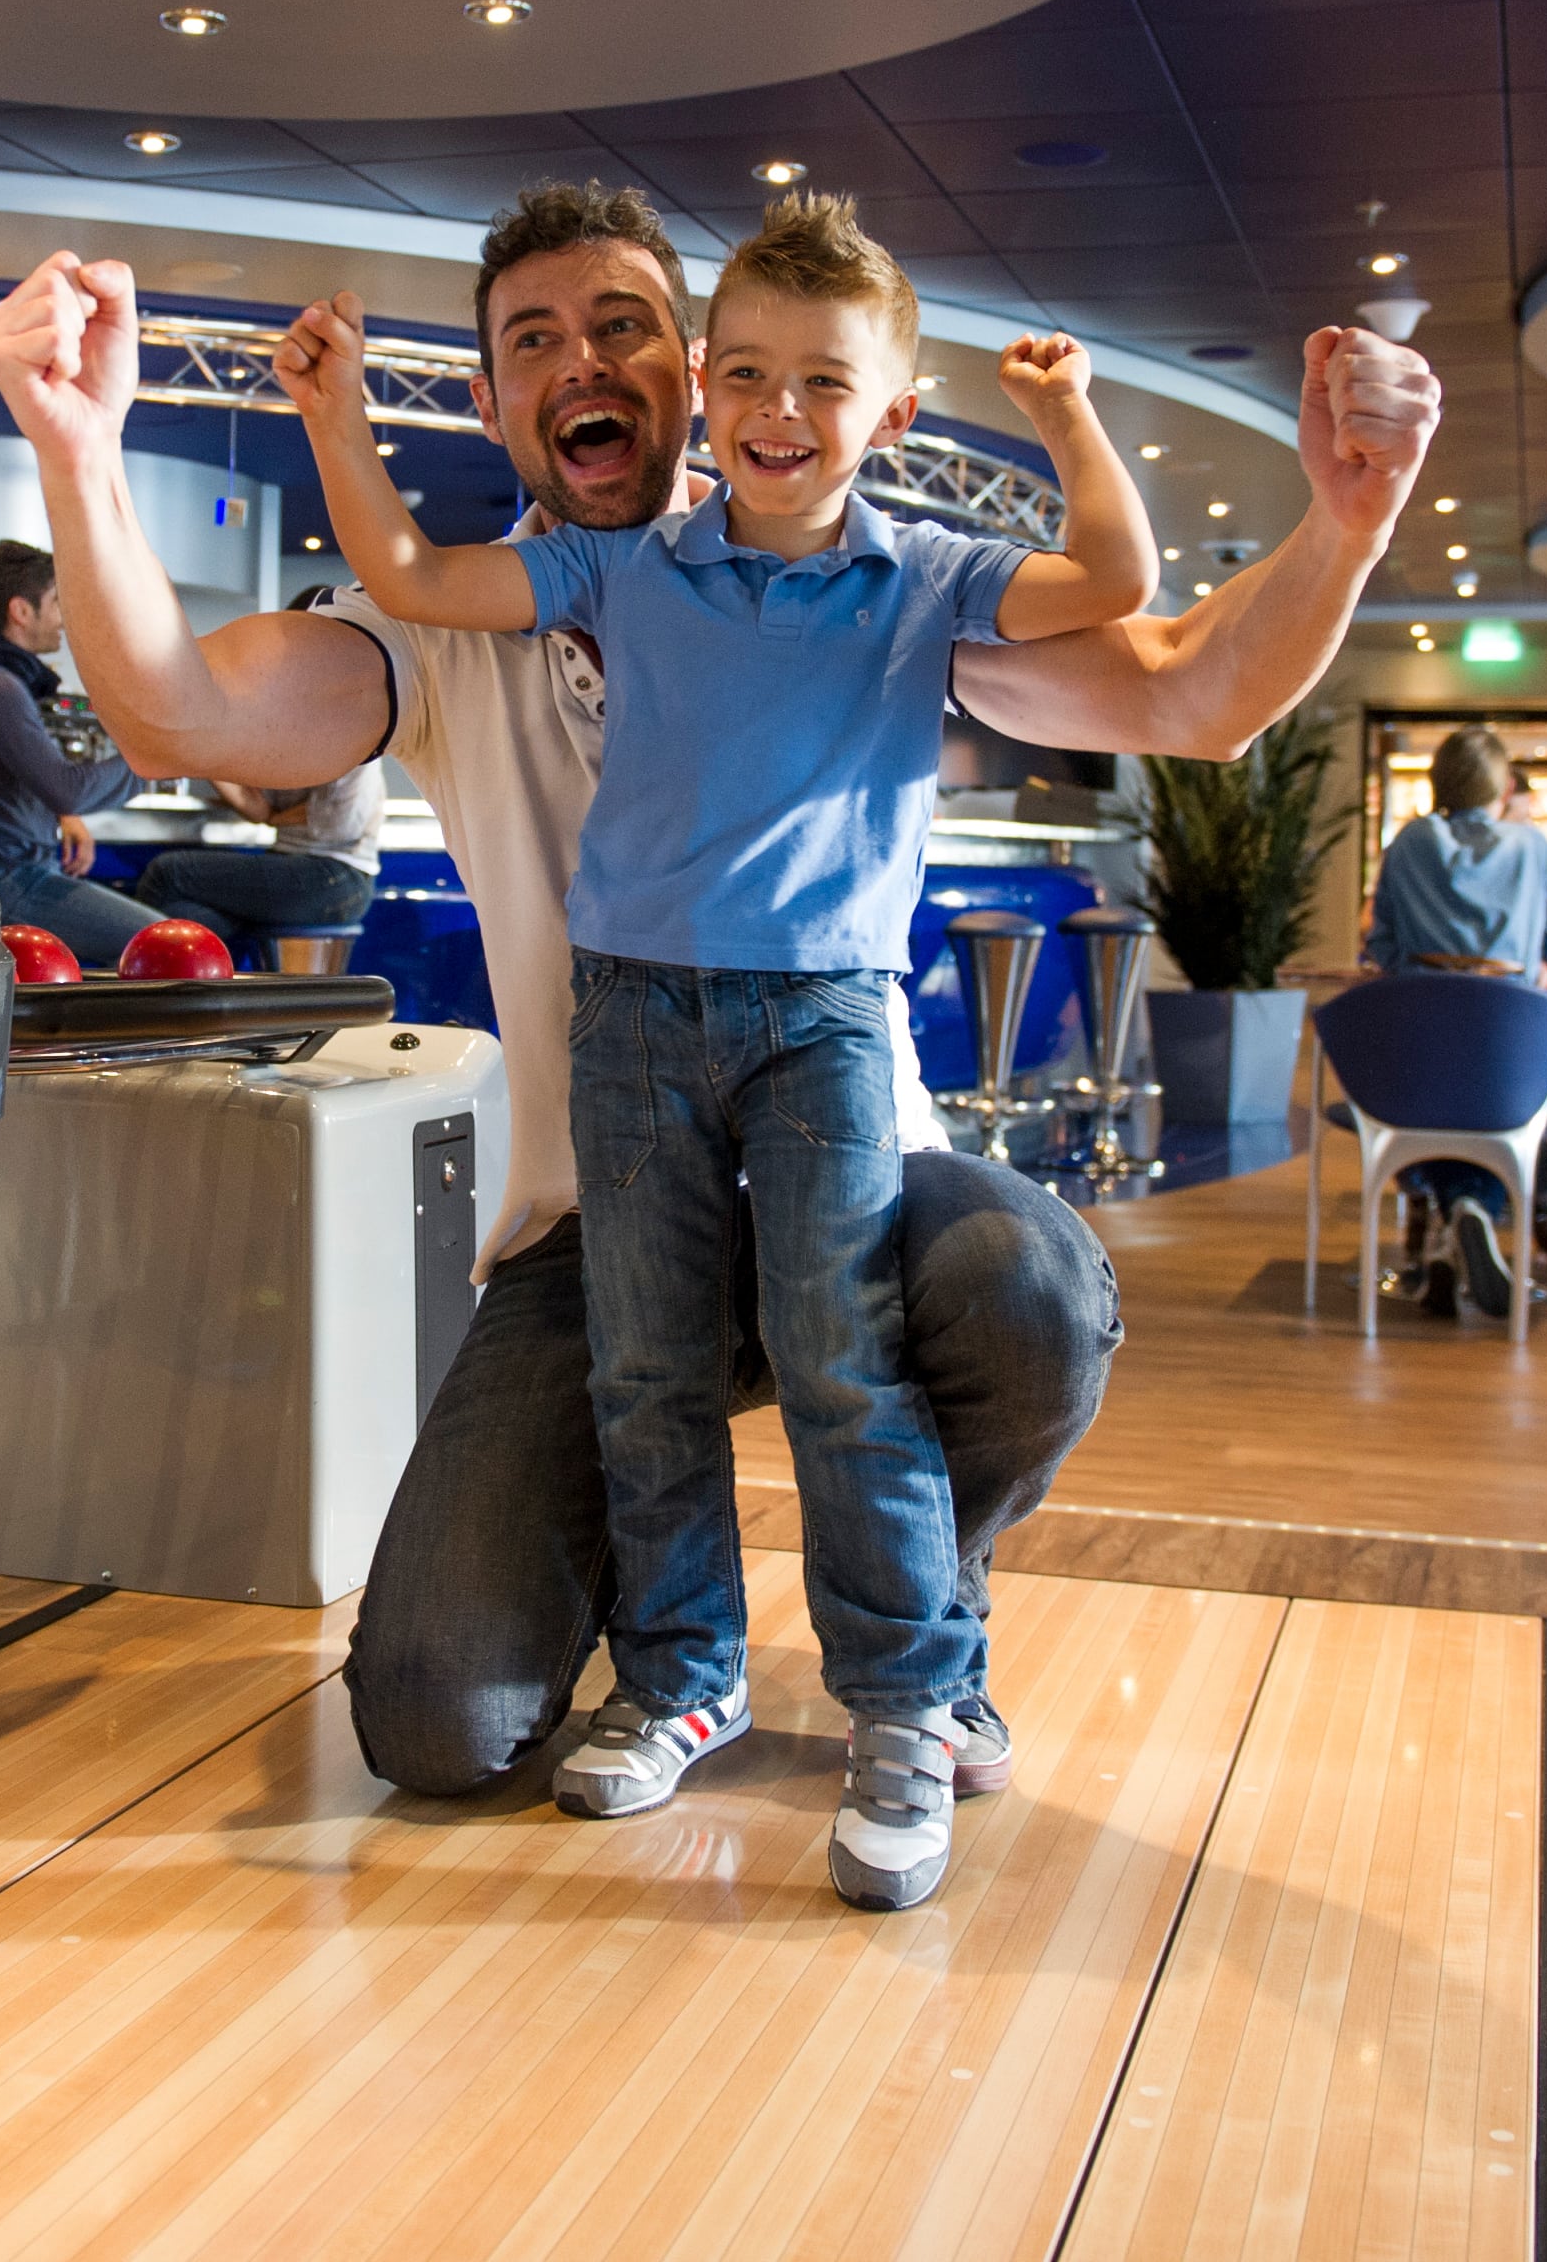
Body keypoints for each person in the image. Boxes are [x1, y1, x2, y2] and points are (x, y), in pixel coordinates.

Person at [0, 181, 1442, 1825]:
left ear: (691, 369)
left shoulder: (866, 592)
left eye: (618, 327)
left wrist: (1348, 518)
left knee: (1023, 1286)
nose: (577, 360)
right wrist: (75, 443)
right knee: (437, 1715)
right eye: (529, 340)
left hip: (846, 1164)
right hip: (596, 1211)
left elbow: (1189, 688)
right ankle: (671, 1637)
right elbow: (176, 714)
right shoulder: (452, 622)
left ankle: (911, 1622)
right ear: (488, 403)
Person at [265, 194, 1156, 1909]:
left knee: (848, 1368)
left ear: (888, 419)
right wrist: (331, 415)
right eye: (745, 370)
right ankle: (683, 1672)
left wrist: (1064, 417)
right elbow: (402, 577)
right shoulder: (617, 565)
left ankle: (904, 1688)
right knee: (636, 1386)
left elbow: (1114, 584)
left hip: (818, 1023)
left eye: (817, 382)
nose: (771, 407)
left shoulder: (920, 576)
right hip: (633, 1022)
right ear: (704, 383)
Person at [1363, 723, 1547, 1317]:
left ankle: (1449, 1226)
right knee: (1501, 1106)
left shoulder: (1409, 842)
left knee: (1434, 1102)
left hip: (1418, 1061)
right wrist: (1533, 967)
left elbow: (1379, 945)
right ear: (1504, 784)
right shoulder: (1533, 848)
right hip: (1506, 1057)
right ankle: (1471, 1211)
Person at [0, 536, 162, 968]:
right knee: (163, 948)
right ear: (21, 611)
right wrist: (154, 757)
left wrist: (65, 816)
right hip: (3, 881)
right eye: (56, 603)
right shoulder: (0, 686)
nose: (64, 618)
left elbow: (44, 787)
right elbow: (68, 789)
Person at [135, 592, 383, 957]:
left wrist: (278, 817)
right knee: (184, 917)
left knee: (168, 872)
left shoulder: (352, 720)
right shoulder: (289, 721)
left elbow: (338, 827)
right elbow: (259, 810)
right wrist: (199, 756)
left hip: (335, 878)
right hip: (292, 864)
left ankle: (138, 988)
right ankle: (196, 1003)